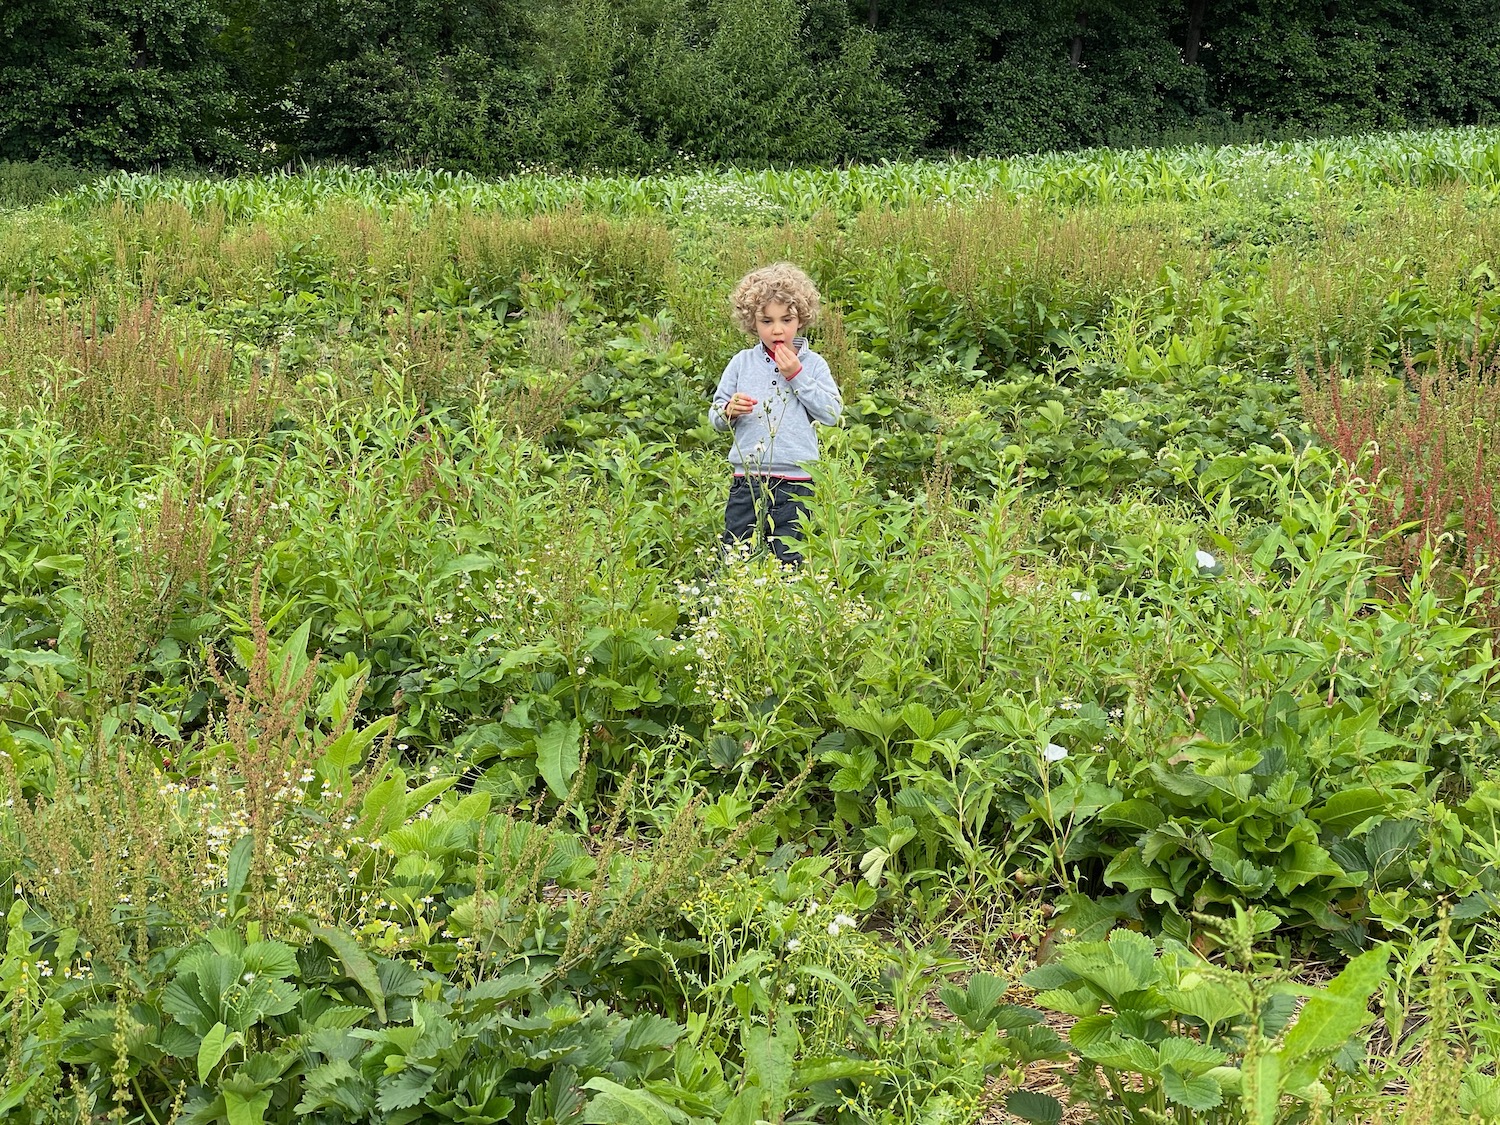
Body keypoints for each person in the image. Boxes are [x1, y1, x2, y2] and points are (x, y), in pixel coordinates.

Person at [710, 262, 843, 565]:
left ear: (801, 319)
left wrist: (797, 375)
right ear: (752, 322)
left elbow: (832, 413)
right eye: (766, 321)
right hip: (748, 479)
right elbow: (715, 415)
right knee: (737, 555)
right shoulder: (742, 363)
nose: (777, 329)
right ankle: (736, 608)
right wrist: (729, 411)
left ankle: (784, 607)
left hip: (797, 483)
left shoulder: (814, 364)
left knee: (789, 560)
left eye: (787, 319)